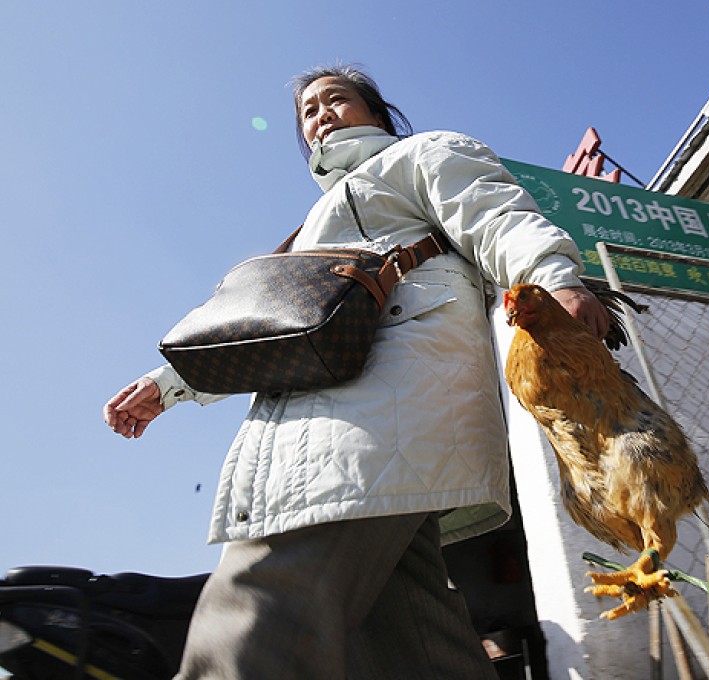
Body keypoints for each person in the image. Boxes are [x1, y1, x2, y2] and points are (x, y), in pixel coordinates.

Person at [104, 63, 608, 679]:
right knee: (414, 646)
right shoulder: (309, 231)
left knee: (263, 602)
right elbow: (259, 323)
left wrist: (553, 277)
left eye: (336, 99)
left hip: (385, 405)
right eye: (308, 111)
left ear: (378, 115)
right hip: (334, 421)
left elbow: (493, 215)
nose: (320, 115)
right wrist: (168, 384)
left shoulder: (423, 153)